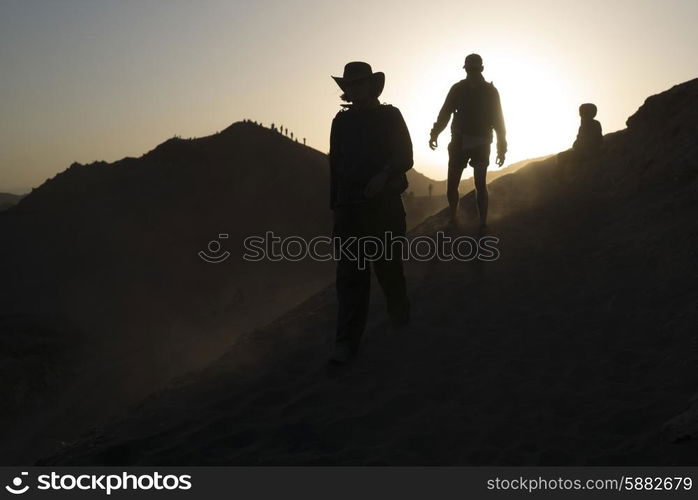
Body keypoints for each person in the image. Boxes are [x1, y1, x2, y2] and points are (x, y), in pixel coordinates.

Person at [328, 61, 413, 364]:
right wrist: (336, 208)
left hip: (384, 208)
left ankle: (401, 321)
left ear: (371, 85)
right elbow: (335, 167)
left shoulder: (390, 115)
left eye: (359, 83)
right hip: (349, 208)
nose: (354, 89)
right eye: (350, 85)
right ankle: (346, 344)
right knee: (351, 278)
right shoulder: (341, 122)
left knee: (389, 270)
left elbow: (405, 155)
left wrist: (384, 175)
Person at [429, 53, 507, 233]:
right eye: (470, 69)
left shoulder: (485, 91)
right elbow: (446, 113)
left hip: (476, 142)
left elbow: (498, 120)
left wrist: (502, 147)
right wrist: (435, 133)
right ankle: (461, 219)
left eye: (473, 69)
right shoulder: (461, 89)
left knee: (476, 184)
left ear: (479, 69)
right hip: (463, 141)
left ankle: (479, 222)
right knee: (458, 185)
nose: (471, 72)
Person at [557, 103, 603, 178]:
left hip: (588, 153)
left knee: (561, 157)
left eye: (582, 112)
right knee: (562, 156)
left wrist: (580, 147)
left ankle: (560, 179)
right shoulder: (584, 125)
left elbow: (592, 141)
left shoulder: (593, 124)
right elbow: (579, 139)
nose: (580, 114)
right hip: (584, 152)